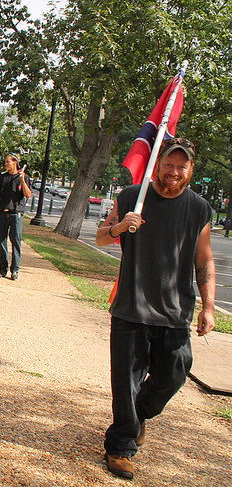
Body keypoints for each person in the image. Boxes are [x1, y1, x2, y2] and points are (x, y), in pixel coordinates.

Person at [96, 137, 215, 480]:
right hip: (131, 308)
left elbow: (204, 258)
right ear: (158, 163)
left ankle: (137, 417)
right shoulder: (133, 196)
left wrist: (208, 306)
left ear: (191, 170)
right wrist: (120, 226)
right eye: (169, 164)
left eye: (182, 166)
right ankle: (120, 446)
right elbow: (102, 236)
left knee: (176, 371)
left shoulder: (198, 208)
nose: (174, 171)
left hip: (175, 311)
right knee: (125, 384)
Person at [0, 153, 32, 280]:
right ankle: (2, 269)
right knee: (2, 242)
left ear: (15, 163)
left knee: (16, 242)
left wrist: (22, 180)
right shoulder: (2, 178)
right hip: (2, 213)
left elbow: (28, 195)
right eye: (5, 162)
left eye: (8, 162)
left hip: (16, 214)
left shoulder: (23, 177)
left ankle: (15, 270)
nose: (6, 164)